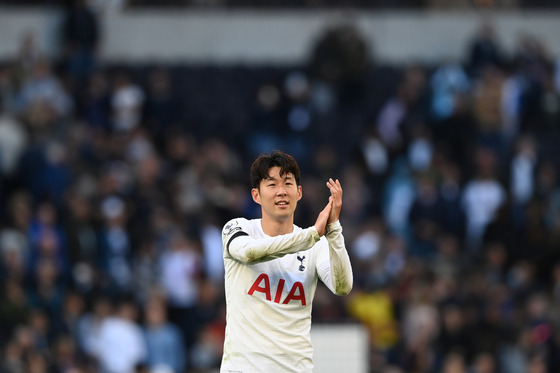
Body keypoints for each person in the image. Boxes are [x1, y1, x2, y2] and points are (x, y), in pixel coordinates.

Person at [220, 150, 353, 373]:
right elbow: (249, 253)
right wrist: (312, 234)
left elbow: (342, 287)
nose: (281, 191)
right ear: (256, 195)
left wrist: (333, 230)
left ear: (299, 192)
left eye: (288, 183)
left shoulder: (317, 245)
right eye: (271, 185)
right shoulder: (238, 229)